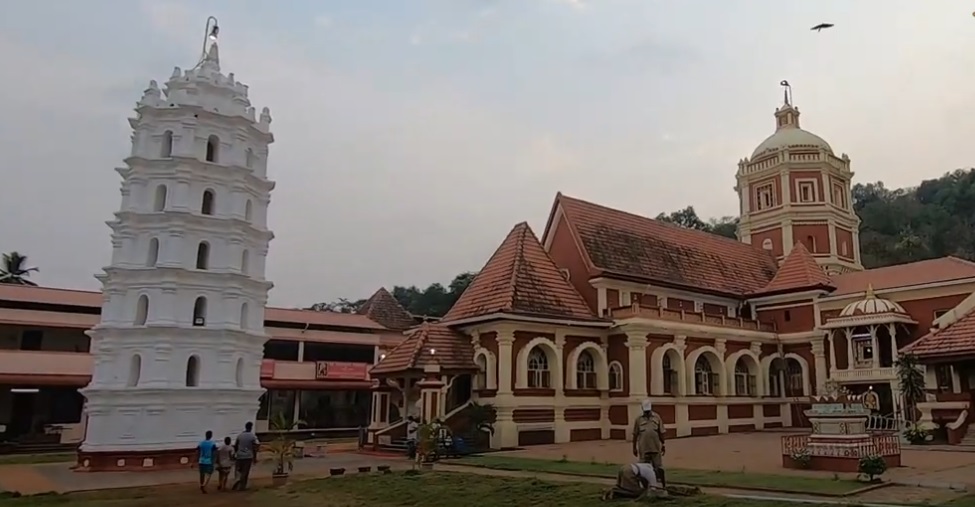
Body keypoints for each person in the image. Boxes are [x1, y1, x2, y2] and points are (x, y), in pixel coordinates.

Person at [631, 399, 666, 487]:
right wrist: (634, 447)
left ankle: (662, 485)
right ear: (642, 409)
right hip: (644, 448)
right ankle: (645, 486)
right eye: (646, 411)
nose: (647, 413)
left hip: (655, 447)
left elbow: (661, 432)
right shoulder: (638, 419)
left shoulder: (657, 417)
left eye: (648, 411)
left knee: (658, 468)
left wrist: (663, 444)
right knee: (643, 469)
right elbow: (635, 434)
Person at [232, 421, 260, 491]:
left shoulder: (240, 435)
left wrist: (235, 453)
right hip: (248, 456)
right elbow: (255, 446)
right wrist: (255, 457)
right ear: (251, 428)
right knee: (245, 471)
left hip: (239, 455)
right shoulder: (252, 436)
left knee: (238, 470)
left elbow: (236, 446)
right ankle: (242, 486)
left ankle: (238, 479)